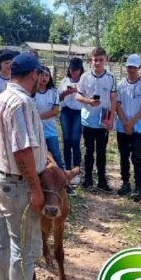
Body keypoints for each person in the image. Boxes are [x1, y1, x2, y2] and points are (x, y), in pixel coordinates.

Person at [0, 53, 57, 280]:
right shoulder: (22, 102)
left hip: (1, 177)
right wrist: (35, 188)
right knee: (25, 248)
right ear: (32, 75)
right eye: (40, 74)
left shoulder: (2, 98)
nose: (41, 79)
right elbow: (23, 149)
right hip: (17, 183)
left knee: (2, 241)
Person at [75, 47, 117, 192]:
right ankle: (87, 179)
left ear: (106, 60)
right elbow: (77, 96)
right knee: (88, 151)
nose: (98, 63)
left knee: (101, 152)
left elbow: (113, 98)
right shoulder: (85, 77)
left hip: (103, 122)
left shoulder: (111, 77)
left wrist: (111, 119)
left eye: (101, 60)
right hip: (87, 121)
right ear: (91, 61)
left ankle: (101, 180)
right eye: (95, 60)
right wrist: (88, 101)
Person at [115, 54, 141, 200]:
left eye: (134, 67)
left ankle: (138, 186)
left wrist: (132, 122)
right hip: (122, 126)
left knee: (136, 156)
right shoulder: (120, 85)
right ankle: (125, 182)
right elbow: (117, 104)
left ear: (139, 68)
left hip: (138, 127)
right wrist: (125, 122)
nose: (131, 69)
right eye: (129, 66)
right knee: (124, 156)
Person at [58, 58, 84, 186]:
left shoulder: (84, 82)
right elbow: (58, 98)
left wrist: (77, 91)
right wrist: (66, 92)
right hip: (66, 111)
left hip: (79, 112)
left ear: (80, 70)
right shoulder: (64, 81)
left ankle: (77, 170)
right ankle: (67, 168)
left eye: (76, 70)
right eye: (72, 70)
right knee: (66, 140)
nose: (73, 72)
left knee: (75, 140)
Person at [34, 66, 65, 169]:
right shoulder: (31, 93)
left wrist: (38, 117)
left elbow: (55, 111)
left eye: (47, 75)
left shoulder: (54, 92)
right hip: (35, 130)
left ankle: (62, 177)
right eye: (42, 75)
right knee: (37, 157)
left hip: (50, 130)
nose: (44, 78)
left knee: (55, 155)